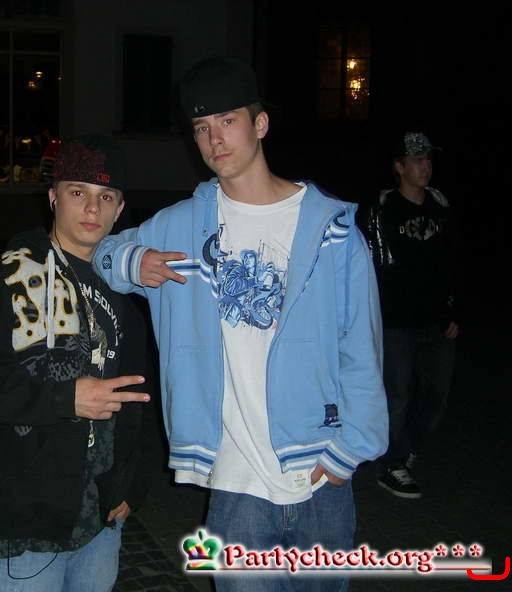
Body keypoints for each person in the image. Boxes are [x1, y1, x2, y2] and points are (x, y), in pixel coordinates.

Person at [92, 56, 388, 591]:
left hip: (319, 472)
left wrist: (351, 450)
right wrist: (134, 261)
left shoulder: (333, 229)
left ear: (260, 124)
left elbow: (361, 346)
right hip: (235, 481)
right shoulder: (182, 225)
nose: (214, 139)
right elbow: (102, 253)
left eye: (227, 121)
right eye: (201, 128)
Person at [0, 134, 152, 591]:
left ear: (120, 209)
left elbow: (136, 397)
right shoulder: (12, 272)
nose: (92, 208)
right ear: (53, 197)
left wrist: (129, 485)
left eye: (106, 197)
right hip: (27, 515)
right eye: (78, 192)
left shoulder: (123, 291)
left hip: (101, 516)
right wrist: (65, 398)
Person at [362, 131, 458, 499]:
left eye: (428, 159)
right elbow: (374, 267)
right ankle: (391, 464)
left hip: (435, 322)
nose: (425, 166)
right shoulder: (382, 210)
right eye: (417, 160)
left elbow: (450, 262)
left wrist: (451, 310)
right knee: (397, 396)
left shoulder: (440, 206)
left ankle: (405, 449)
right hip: (396, 323)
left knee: (436, 397)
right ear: (399, 167)